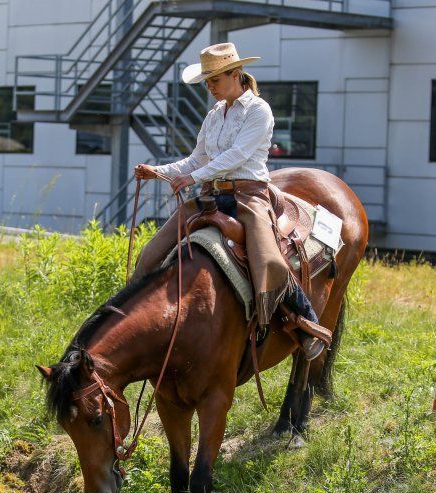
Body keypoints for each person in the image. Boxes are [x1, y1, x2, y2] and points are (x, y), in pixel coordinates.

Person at [130, 42, 328, 360]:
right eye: (207, 81)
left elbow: (237, 156)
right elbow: (196, 159)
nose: (209, 87)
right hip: (211, 196)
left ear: (236, 74)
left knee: (269, 259)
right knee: (153, 251)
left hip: (249, 196)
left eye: (215, 80)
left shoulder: (258, 111)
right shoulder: (213, 116)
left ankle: (307, 326)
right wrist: (157, 171)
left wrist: (193, 179)